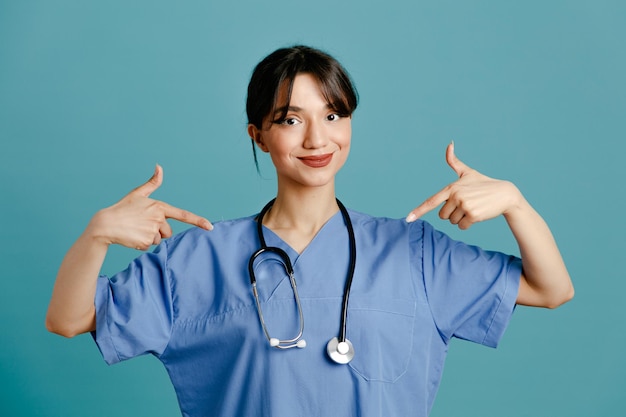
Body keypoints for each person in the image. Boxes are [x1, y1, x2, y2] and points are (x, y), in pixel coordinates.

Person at [46, 45, 574, 417]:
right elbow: (69, 319)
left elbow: (551, 289)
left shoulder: (411, 251)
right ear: (259, 136)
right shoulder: (198, 259)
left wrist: (516, 205)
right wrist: (95, 237)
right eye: (291, 119)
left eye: (334, 114)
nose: (318, 138)